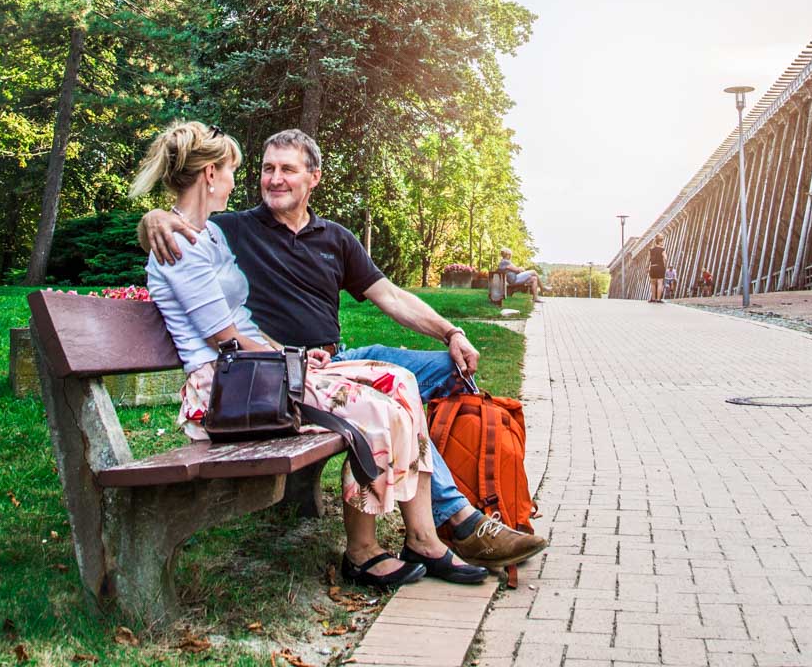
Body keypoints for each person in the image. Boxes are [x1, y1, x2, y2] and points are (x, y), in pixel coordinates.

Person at [138, 127, 549, 572]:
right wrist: (152, 219)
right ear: (216, 172)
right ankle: (454, 524)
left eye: (287, 170)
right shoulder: (232, 229)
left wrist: (451, 333)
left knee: (428, 376)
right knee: (387, 404)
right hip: (261, 376)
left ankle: (431, 529)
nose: (272, 179)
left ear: (313, 177)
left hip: (322, 359)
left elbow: (390, 296)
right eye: (265, 169)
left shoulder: (332, 237)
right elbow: (182, 238)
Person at [646, 237, 667, 303]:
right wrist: (664, 264)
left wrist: (646, 267)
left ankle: (653, 298)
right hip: (660, 267)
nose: (663, 243)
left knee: (653, 284)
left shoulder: (651, 250)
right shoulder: (662, 249)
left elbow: (648, 260)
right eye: (662, 242)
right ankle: (658, 299)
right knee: (660, 283)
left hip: (653, 267)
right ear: (659, 242)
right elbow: (665, 258)